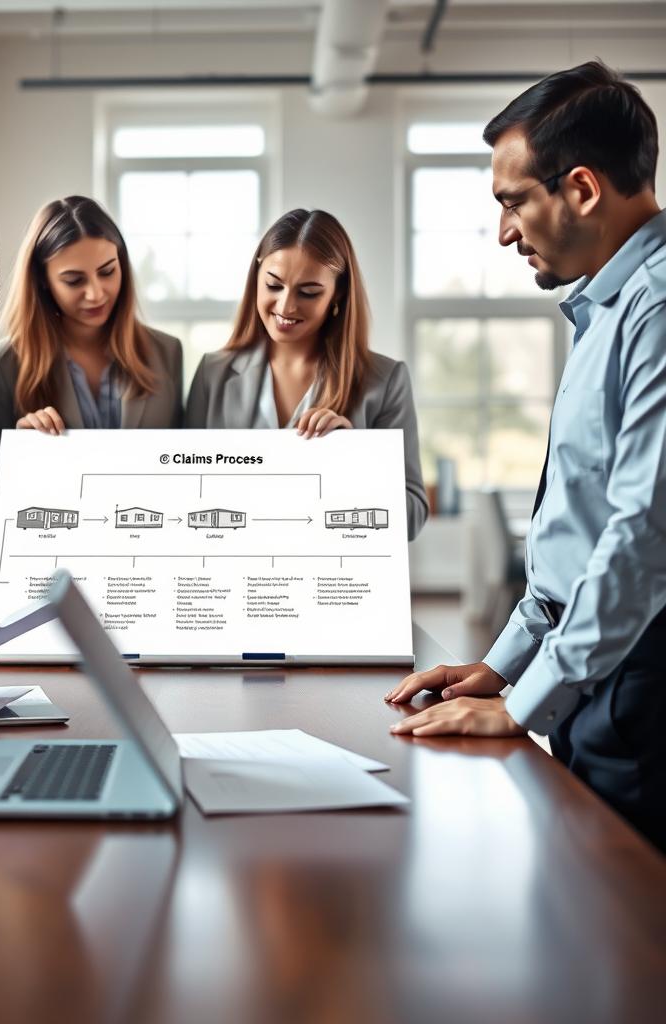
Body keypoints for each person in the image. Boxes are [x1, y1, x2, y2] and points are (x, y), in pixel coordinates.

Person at [385, 61, 666, 852]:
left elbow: (643, 535)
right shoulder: (606, 306)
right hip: (601, 676)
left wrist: (520, 704)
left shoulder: (657, 308)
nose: (505, 231)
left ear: (581, 189)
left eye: (512, 202)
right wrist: (505, 664)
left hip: (638, 688)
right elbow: (578, 525)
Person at [185, 208, 428, 540]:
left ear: (337, 293)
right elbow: (184, 494)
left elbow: (412, 516)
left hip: (333, 571)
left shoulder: (385, 381)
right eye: (274, 285)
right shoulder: (212, 374)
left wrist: (354, 456)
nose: (286, 306)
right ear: (256, 276)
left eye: (308, 292)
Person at [0, 195, 182, 440]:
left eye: (107, 271)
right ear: (42, 280)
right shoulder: (4, 363)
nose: (95, 294)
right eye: (74, 280)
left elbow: (180, 454)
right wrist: (22, 444)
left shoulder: (167, 352)